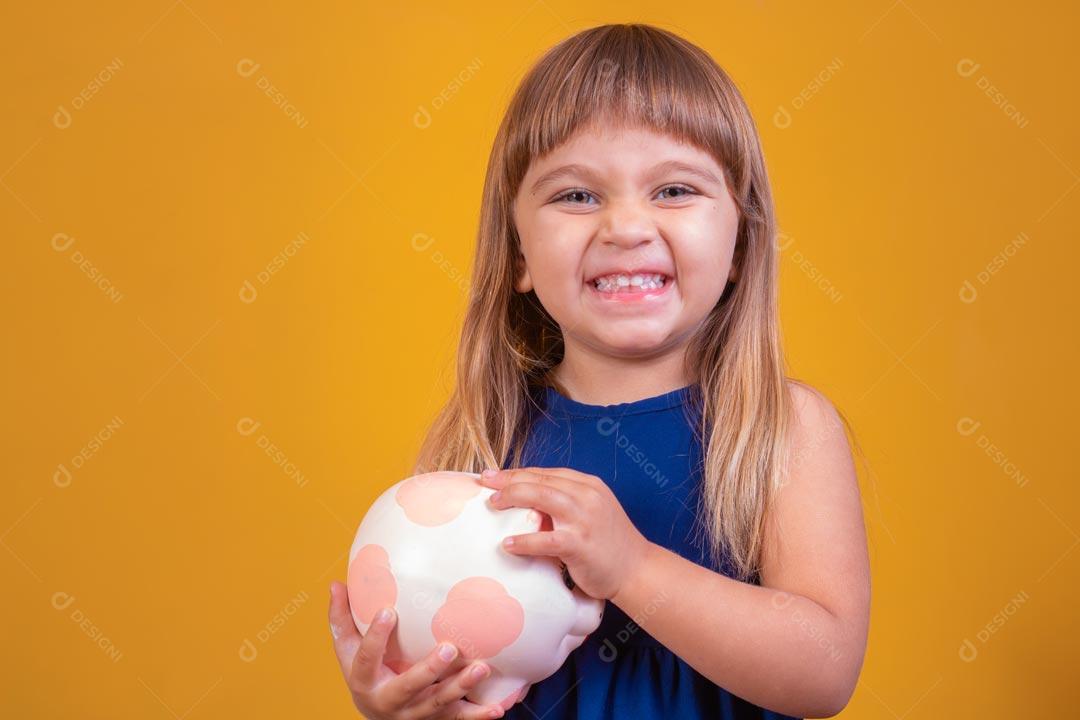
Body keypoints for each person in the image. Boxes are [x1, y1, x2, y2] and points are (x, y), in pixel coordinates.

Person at [328, 22, 870, 720]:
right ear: (519, 253)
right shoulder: (486, 439)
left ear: (740, 241)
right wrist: (406, 697)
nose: (624, 227)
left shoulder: (785, 428)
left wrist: (633, 569)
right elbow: (466, 673)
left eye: (674, 190)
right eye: (577, 196)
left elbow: (824, 674)